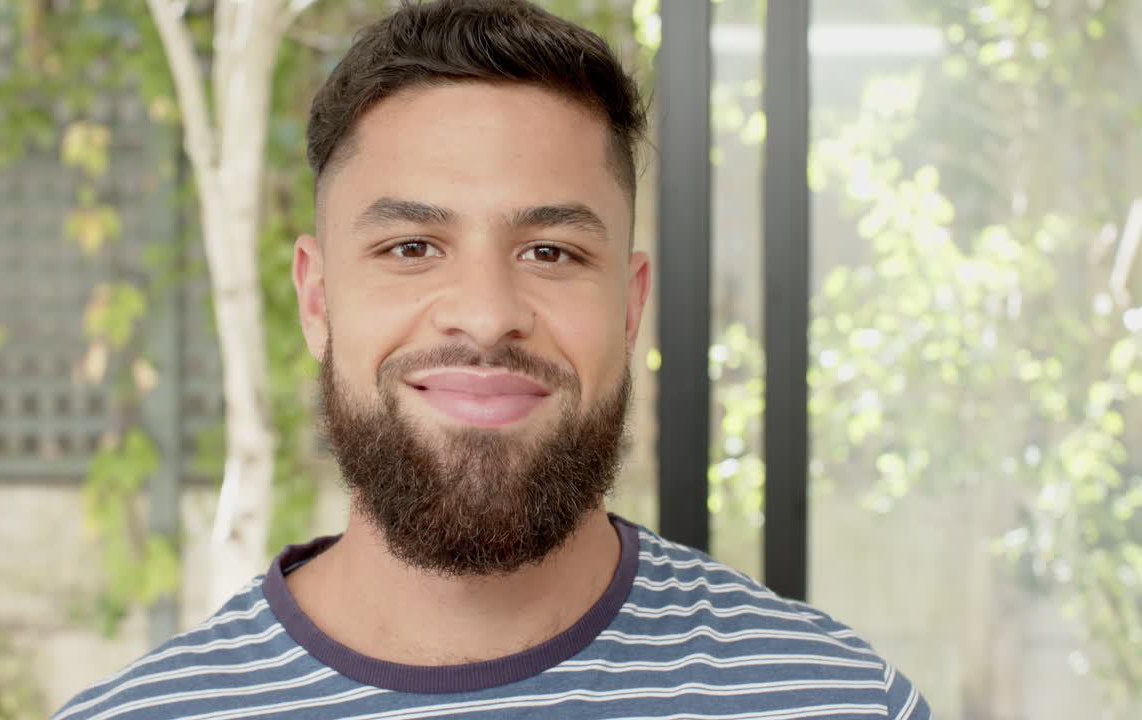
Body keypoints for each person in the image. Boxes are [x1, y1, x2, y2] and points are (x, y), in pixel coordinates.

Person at [54, 0, 932, 717]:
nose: (484, 315)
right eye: (411, 247)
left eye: (550, 252)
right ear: (317, 301)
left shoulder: (842, 704)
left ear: (630, 307)